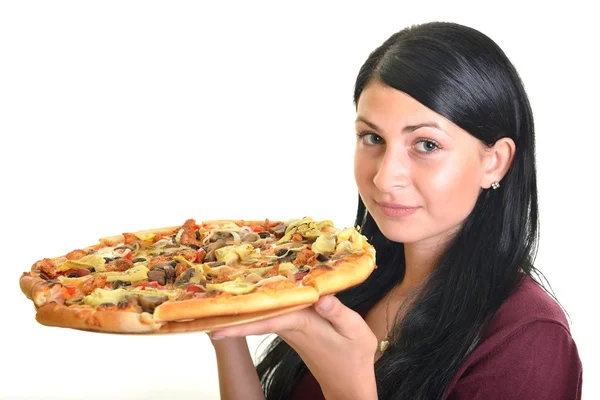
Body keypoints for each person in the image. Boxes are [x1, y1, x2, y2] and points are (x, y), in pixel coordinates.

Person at [208, 21, 583, 400]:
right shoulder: (345, 284)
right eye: (372, 138)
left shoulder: (527, 338)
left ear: (495, 163)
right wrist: (224, 323)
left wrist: (347, 387)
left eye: (426, 145)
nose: (385, 177)